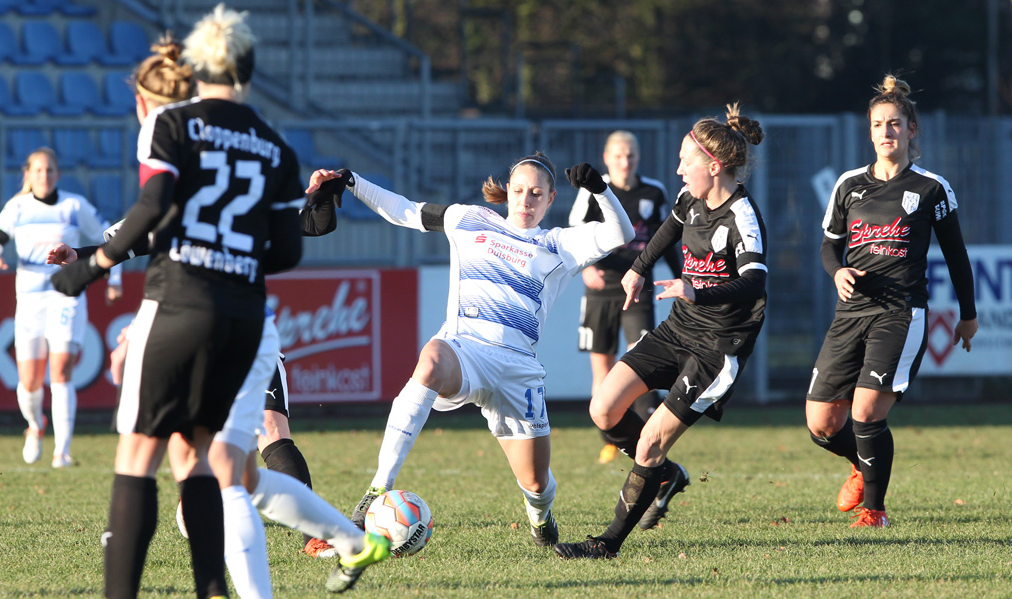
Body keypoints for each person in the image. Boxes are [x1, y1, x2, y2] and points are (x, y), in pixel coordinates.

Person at [50, 5, 384, 598]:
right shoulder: (274, 146)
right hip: (246, 319)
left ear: (196, 69)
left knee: (143, 457)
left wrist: (93, 266)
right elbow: (287, 251)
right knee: (219, 468)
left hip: (179, 304)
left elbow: (153, 212)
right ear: (250, 72)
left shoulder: (172, 125)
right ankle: (297, 559)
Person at [306, 153, 633, 548]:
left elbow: (621, 233)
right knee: (429, 363)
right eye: (518, 191)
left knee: (535, 482)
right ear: (507, 193)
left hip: (517, 369)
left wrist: (601, 190)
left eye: (535, 194)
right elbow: (405, 211)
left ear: (550, 199)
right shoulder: (469, 219)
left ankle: (541, 517)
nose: (525, 201)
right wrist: (352, 180)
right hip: (466, 350)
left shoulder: (560, 243)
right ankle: (376, 492)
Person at [554, 103, 767, 559]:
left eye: (685, 160)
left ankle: (608, 543)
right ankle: (666, 475)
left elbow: (755, 281)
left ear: (714, 166)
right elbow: (667, 230)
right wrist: (637, 269)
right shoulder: (691, 199)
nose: (678, 169)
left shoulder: (742, 216)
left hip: (717, 348)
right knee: (604, 409)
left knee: (649, 439)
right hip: (678, 330)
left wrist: (696, 291)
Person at [804, 75, 977, 529]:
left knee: (864, 413)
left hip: (901, 314)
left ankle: (874, 512)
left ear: (912, 130)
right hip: (849, 316)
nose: (887, 132)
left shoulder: (931, 189)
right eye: (879, 124)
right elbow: (828, 246)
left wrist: (968, 315)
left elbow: (957, 256)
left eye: (895, 123)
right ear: (869, 132)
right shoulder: (848, 185)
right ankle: (864, 465)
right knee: (821, 422)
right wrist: (837, 270)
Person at [0, 147, 123, 469]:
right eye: (38, 171)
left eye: (50, 170)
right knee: (29, 380)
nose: (44, 176)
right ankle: (35, 425)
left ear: (58, 174)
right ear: (27, 175)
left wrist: (116, 278)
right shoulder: (17, 207)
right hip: (29, 300)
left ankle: (63, 451)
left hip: (66, 295)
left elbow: (115, 238)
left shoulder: (74, 205)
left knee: (60, 372)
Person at [567, 131, 681, 465]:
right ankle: (611, 438)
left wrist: (680, 275)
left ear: (638, 158)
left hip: (639, 286)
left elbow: (667, 239)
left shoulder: (654, 191)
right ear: (606, 158)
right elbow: (575, 234)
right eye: (618, 155)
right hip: (602, 287)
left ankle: (648, 437)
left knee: (640, 361)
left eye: (630, 155)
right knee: (602, 368)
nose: (625, 161)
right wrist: (585, 268)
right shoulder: (594, 189)